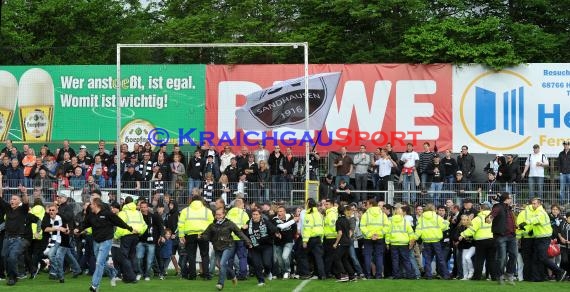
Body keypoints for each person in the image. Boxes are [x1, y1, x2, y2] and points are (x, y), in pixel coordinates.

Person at [75, 196, 138, 292]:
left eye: (91, 204)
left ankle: (94, 286)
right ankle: (113, 272)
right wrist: (78, 229)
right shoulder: (91, 215)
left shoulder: (107, 214)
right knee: (101, 262)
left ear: (96, 205)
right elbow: (85, 224)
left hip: (106, 241)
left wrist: (130, 228)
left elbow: (119, 222)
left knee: (99, 263)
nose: (90, 206)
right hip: (96, 241)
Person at [0, 178, 40, 286]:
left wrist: (24, 193)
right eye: (11, 199)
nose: (11, 200)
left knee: (13, 256)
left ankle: (13, 277)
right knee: (4, 256)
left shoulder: (23, 210)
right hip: (7, 238)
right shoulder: (8, 209)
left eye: (14, 199)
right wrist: (0, 179)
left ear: (19, 202)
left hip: (19, 239)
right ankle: (12, 275)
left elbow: (26, 202)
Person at [202, 208, 251, 291]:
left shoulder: (229, 224)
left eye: (220, 214)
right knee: (223, 265)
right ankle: (233, 276)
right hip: (217, 247)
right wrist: (202, 237)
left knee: (222, 263)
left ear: (224, 215)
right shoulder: (212, 225)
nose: (218, 216)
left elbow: (239, 232)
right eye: (216, 214)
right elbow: (206, 234)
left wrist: (247, 241)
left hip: (229, 246)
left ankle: (220, 284)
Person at [518, 198, 567, 282]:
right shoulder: (538, 212)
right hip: (540, 237)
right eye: (532, 203)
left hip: (544, 238)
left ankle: (560, 272)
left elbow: (535, 220)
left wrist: (525, 223)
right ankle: (537, 278)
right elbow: (536, 224)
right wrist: (530, 230)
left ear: (539, 204)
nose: (533, 205)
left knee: (542, 257)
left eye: (535, 203)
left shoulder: (540, 212)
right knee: (536, 258)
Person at [178, 194, 214, 280]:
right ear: (201, 201)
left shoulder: (185, 211)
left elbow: (180, 224)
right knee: (204, 255)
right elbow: (212, 224)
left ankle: (192, 276)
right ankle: (206, 275)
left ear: (191, 201)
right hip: (203, 234)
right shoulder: (207, 211)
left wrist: (181, 235)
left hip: (190, 234)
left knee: (191, 256)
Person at [459, 202, 495, 281]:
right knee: (491, 260)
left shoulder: (478, 218)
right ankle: (494, 277)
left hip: (481, 241)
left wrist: (462, 234)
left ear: (481, 209)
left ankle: (477, 277)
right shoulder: (494, 217)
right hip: (493, 240)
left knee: (479, 260)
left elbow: (471, 230)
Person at [486, 192, 517, 285]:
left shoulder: (509, 209)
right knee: (502, 258)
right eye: (510, 198)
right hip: (501, 236)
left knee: (514, 256)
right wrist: (489, 218)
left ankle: (509, 274)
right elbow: (491, 216)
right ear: (506, 199)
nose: (511, 199)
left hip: (512, 236)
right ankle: (500, 276)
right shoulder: (498, 207)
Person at [243, 209, 279, 286]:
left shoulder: (265, 221)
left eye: (256, 214)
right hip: (254, 247)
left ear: (260, 215)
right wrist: (243, 229)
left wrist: (276, 233)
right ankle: (261, 281)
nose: (255, 216)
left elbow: (272, 228)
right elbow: (244, 235)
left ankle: (267, 272)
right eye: (253, 214)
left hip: (266, 246)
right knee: (256, 264)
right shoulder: (248, 223)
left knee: (267, 264)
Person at [416, 203, 450, 280]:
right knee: (440, 258)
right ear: (434, 209)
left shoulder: (421, 218)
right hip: (436, 241)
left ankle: (428, 275)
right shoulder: (437, 217)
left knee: (427, 259)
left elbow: (418, 230)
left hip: (426, 241)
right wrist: (447, 222)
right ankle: (445, 275)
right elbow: (444, 227)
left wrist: (415, 238)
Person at [360, 199, 389, 279]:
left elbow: (362, 226)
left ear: (371, 205)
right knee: (379, 256)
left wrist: (370, 235)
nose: (366, 206)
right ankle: (378, 275)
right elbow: (387, 226)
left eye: (367, 204)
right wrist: (378, 234)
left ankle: (368, 275)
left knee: (367, 256)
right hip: (379, 238)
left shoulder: (366, 214)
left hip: (368, 238)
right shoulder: (383, 214)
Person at [386, 207, 415, 279]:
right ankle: (409, 275)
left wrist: (387, 242)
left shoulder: (390, 221)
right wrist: (411, 242)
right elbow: (411, 233)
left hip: (393, 243)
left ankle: (396, 275)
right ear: (402, 213)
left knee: (395, 260)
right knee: (406, 260)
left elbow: (387, 233)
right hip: (404, 244)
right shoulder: (405, 222)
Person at [137, 200, 163, 281]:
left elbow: (160, 227)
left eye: (145, 207)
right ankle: (140, 273)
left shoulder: (154, 216)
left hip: (151, 242)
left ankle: (147, 275)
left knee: (149, 260)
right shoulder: (138, 217)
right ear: (139, 208)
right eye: (142, 207)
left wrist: (161, 236)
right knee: (139, 259)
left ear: (147, 207)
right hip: (140, 241)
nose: (143, 209)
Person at [226, 197, 250, 280]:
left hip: (230, 238)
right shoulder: (244, 214)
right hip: (240, 238)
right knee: (242, 257)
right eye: (243, 204)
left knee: (230, 257)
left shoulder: (229, 213)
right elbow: (247, 225)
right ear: (241, 204)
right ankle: (242, 275)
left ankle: (229, 275)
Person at [301, 198, 325, 279]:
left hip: (311, 239)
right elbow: (322, 227)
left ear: (308, 204)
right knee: (318, 257)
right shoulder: (319, 214)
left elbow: (307, 228)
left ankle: (306, 273)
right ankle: (322, 275)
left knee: (302, 255)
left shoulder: (308, 215)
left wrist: (304, 241)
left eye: (306, 203)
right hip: (318, 238)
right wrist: (321, 239)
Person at [331, 205, 356, 282]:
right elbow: (349, 231)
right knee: (345, 259)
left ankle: (344, 275)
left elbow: (340, 233)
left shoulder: (338, 221)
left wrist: (335, 243)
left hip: (342, 242)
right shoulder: (346, 220)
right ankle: (352, 275)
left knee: (337, 258)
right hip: (348, 241)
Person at [272, 205, 296, 279]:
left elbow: (294, 229)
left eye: (281, 211)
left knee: (285, 257)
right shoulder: (274, 220)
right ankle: (284, 271)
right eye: (278, 211)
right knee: (280, 261)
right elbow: (281, 226)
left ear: (285, 212)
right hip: (278, 243)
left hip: (288, 242)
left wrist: (291, 237)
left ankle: (287, 271)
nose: (279, 213)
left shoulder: (290, 218)